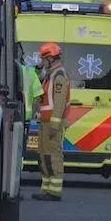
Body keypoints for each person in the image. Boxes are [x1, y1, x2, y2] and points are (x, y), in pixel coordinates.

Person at [33, 41, 68, 200]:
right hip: (46, 123)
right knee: (44, 155)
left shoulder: (59, 76)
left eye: (44, 59)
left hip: (52, 124)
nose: (42, 62)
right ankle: (47, 189)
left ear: (50, 59)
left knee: (52, 155)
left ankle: (54, 191)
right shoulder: (50, 75)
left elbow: (59, 103)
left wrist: (54, 124)